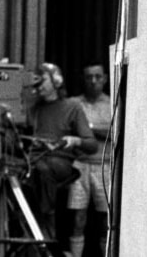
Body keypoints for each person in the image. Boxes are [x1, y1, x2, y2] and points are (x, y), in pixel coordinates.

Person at [25, 62, 97, 239]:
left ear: (56, 82)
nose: (38, 86)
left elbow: (92, 145)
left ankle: (46, 227)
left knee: (41, 169)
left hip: (58, 161)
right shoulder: (33, 109)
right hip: (34, 159)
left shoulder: (72, 107)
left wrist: (73, 140)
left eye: (42, 81)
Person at [67, 62, 112, 257]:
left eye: (97, 77)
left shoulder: (112, 104)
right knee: (78, 218)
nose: (93, 81)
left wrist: (88, 130)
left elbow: (116, 134)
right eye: (89, 77)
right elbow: (68, 131)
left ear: (105, 78)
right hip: (80, 166)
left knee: (106, 220)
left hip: (105, 166)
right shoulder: (74, 104)